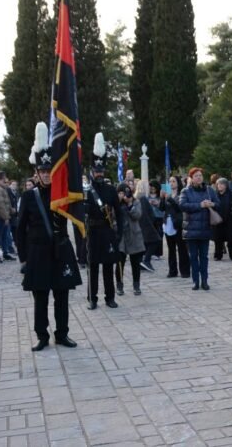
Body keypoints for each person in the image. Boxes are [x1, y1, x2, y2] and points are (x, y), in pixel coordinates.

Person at [17, 123, 82, 351]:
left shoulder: (62, 195)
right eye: (42, 171)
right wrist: (23, 258)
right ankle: (42, 335)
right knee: (41, 297)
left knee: (62, 296)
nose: (46, 175)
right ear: (36, 173)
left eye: (48, 171)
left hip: (61, 249)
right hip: (37, 253)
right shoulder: (28, 196)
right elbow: (19, 229)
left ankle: (62, 334)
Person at [85, 133, 125, 309]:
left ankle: (110, 297)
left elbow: (119, 212)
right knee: (93, 267)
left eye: (101, 171)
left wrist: (119, 233)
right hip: (93, 232)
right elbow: (81, 213)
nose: (99, 173)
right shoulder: (86, 191)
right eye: (96, 171)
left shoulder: (110, 189)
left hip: (108, 232)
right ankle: (92, 299)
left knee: (109, 266)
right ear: (92, 172)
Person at [179, 167, 220, 291]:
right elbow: (182, 205)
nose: (199, 177)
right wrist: (200, 205)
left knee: (204, 257)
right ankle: (195, 281)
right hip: (191, 229)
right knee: (193, 257)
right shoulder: (185, 191)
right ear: (191, 178)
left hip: (205, 229)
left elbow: (218, 203)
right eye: (196, 175)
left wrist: (212, 204)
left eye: (200, 175)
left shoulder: (209, 190)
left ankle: (205, 281)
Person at [116, 183, 145, 296]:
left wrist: (129, 205)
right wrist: (117, 202)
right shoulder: (115, 204)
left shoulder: (135, 202)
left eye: (126, 193)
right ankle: (119, 285)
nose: (124, 195)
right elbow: (111, 217)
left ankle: (136, 285)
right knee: (120, 262)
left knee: (135, 262)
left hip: (134, 235)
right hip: (121, 236)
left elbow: (137, 215)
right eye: (121, 193)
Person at [161, 175, 190, 279]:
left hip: (177, 223)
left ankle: (185, 271)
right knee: (171, 249)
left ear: (178, 182)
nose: (171, 183)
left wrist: (170, 199)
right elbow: (162, 208)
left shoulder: (181, 194)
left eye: (173, 181)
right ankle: (172, 271)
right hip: (168, 223)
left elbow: (180, 208)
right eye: (170, 181)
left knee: (182, 248)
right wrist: (162, 198)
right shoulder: (167, 193)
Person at [135, 180, 161, 272]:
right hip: (147, 225)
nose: (150, 188)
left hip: (143, 225)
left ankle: (144, 262)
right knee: (156, 241)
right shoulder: (143, 199)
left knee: (146, 244)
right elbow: (147, 214)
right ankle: (146, 260)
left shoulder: (138, 198)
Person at [212, 178, 232, 261]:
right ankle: (218, 255)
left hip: (229, 220)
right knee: (218, 239)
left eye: (221, 184)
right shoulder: (214, 194)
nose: (219, 186)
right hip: (218, 219)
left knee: (231, 239)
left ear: (226, 185)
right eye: (218, 184)